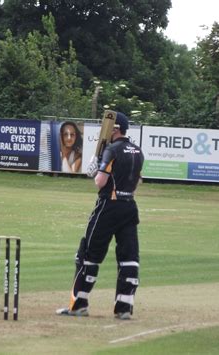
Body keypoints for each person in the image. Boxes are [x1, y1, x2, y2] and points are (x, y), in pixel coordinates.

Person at [56, 112, 144, 320]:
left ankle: (78, 305)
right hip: (129, 206)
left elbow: (100, 181)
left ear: (115, 129)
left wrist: (95, 170)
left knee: (87, 255)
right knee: (129, 258)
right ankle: (124, 308)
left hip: (108, 206)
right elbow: (138, 181)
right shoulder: (138, 151)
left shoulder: (111, 150)